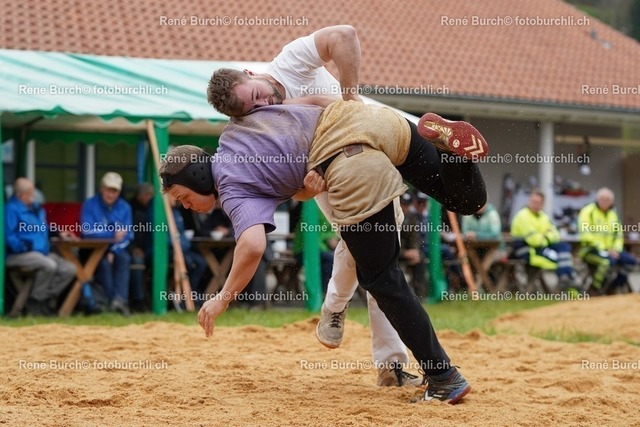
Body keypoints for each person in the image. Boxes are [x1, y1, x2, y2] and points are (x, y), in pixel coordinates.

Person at [207, 25, 484, 387]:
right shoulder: (260, 122)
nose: (265, 105)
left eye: (258, 95)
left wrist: (349, 96)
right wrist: (309, 185)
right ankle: (455, 157)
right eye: (253, 109)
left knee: (378, 268)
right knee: (462, 204)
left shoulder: (287, 62)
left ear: (250, 72)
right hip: (369, 140)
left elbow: (344, 35)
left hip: (355, 153)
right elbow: (295, 187)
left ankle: (337, 311)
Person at [160, 98, 488, 403]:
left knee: (381, 280)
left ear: (198, 177)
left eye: (183, 197)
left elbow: (252, 245)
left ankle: (444, 377)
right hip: (369, 121)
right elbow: (306, 109)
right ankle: (454, 154)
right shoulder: (235, 131)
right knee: (465, 201)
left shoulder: (231, 186)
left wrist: (222, 298)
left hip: (350, 162)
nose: (186, 206)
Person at [4, 177, 76, 316]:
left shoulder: (36, 209)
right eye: (31, 192)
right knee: (49, 265)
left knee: (69, 269)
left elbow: (44, 228)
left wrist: (58, 233)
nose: (34, 195)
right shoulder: (11, 210)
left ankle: (42, 300)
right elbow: (9, 237)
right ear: (21, 195)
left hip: (42, 252)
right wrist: (28, 246)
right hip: (18, 255)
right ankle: (36, 302)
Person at [80, 172, 133, 315]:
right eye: (108, 190)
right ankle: (109, 301)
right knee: (103, 263)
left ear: (119, 192)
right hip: (92, 250)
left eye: (114, 191)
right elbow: (87, 232)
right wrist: (111, 235)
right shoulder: (90, 204)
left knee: (124, 258)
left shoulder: (125, 207)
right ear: (101, 188)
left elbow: (127, 235)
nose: (111, 194)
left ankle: (120, 301)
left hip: (116, 250)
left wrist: (112, 251)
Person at [510, 189, 577, 290]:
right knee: (561, 259)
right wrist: (546, 236)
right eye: (534, 201)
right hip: (528, 251)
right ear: (529, 201)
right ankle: (567, 281)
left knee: (564, 248)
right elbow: (535, 241)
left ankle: (566, 280)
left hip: (540, 248)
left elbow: (555, 235)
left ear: (542, 204)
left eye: (538, 202)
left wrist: (544, 237)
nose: (535, 205)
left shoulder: (544, 217)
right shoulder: (523, 216)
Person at [578, 187, 638, 293]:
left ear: (612, 201)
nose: (605, 201)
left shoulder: (613, 215)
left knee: (631, 262)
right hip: (591, 250)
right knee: (608, 262)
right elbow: (586, 235)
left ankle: (614, 286)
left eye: (608, 199)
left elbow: (618, 236)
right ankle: (595, 289)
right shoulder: (588, 211)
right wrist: (605, 249)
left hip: (612, 251)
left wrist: (616, 249)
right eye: (602, 198)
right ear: (597, 199)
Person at [129, 182, 155, 312]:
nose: (150, 198)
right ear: (140, 195)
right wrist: (133, 248)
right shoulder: (131, 208)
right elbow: (128, 232)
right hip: (129, 248)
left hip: (146, 249)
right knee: (137, 261)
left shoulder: (152, 208)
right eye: (147, 195)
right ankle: (138, 301)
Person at [398, 192, 427, 299]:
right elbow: (388, 244)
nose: (405, 207)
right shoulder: (391, 218)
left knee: (420, 259)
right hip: (393, 253)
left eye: (407, 205)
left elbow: (415, 237)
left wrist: (415, 252)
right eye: (403, 204)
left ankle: (420, 295)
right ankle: (398, 296)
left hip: (406, 252)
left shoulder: (411, 217)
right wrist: (404, 253)